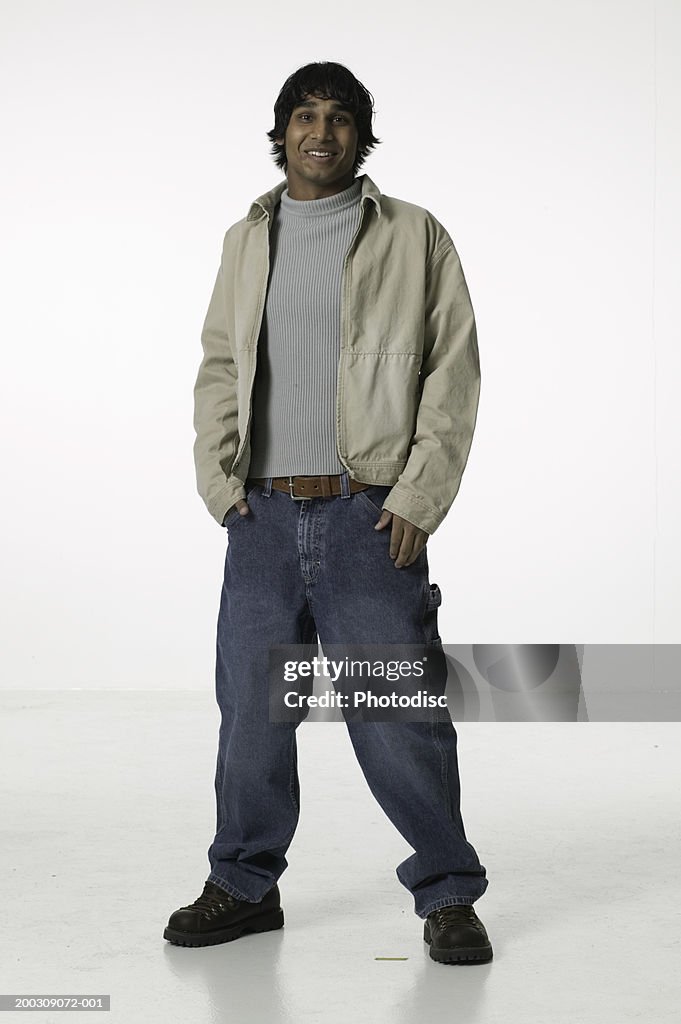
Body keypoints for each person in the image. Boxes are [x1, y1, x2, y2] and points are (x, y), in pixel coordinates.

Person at [163, 61, 493, 965]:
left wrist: (419, 496)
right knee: (251, 718)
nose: (321, 131)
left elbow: (450, 375)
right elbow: (220, 368)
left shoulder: (413, 235)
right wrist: (221, 485)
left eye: (340, 118)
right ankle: (241, 885)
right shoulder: (246, 238)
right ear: (280, 133)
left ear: (360, 136)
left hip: (367, 518)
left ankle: (448, 894)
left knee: (397, 717)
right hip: (262, 519)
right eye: (304, 116)